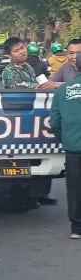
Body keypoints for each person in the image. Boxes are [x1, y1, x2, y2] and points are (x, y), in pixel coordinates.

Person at [49, 72, 81, 238]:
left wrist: (66, 139)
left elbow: (54, 121)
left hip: (73, 146)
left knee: (75, 189)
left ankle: (77, 228)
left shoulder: (63, 90)